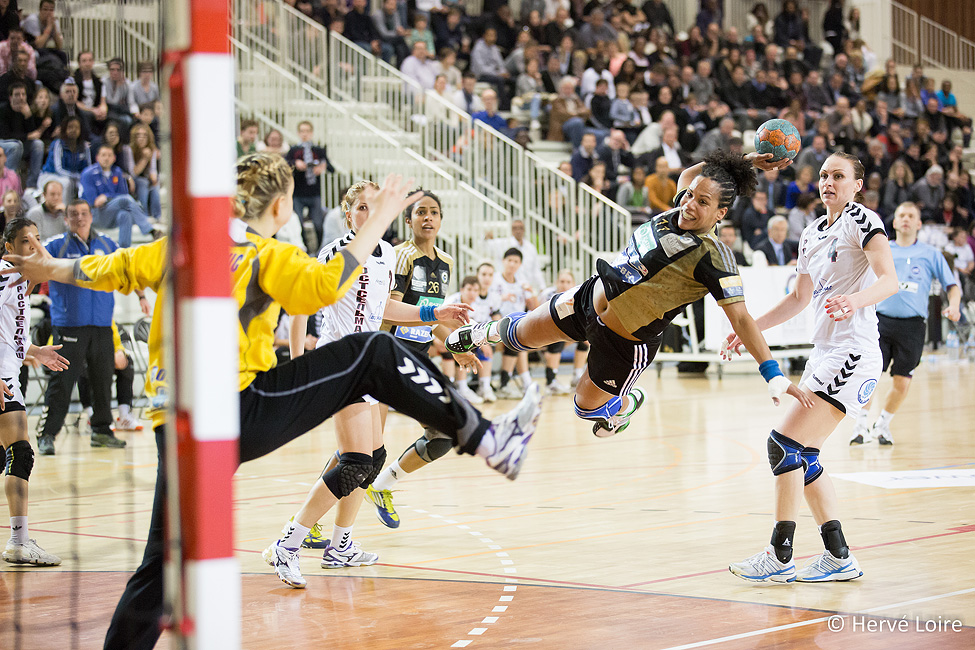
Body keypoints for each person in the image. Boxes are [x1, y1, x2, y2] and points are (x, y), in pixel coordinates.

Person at [2, 160, 542, 649]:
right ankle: (487, 439)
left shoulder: (176, 246)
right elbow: (326, 287)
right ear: (282, 207)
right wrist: (376, 222)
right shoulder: (267, 253)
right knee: (371, 354)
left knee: (161, 569)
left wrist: (49, 270)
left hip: (178, 425)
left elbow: (108, 267)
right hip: (238, 411)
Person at [448, 151, 811, 438]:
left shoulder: (715, 256)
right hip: (590, 297)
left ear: (721, 212)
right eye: (689, 195)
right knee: (522, 335)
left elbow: (742, 318)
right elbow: (692, 177)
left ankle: (625, 403)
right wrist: (746, 161)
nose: (689, 204)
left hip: (624, 343)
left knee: (585, 408)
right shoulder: (677, 208)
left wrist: (773, 372)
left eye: (702, 202)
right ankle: (480, 333)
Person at [264, 181, 475, 584]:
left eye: (373, 208)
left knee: (370, 460)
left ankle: (340, 546)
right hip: (339, 366)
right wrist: (296, 365)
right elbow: (298, 309)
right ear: (348, 215)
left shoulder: (384, 255)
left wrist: (437, 311)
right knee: (357, 461)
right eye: (361, 208)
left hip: (367, 367)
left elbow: (386, 308)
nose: (367, 214)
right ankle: (286, 546)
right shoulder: (337, 253)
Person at [726, 152, 897, 584]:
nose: (828, 182)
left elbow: (889, 280)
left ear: (857, 184)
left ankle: (780, 555)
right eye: (823, 175)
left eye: (839, 176)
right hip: (825, 352)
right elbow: (799, 299)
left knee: (782, 445)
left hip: (853, 353)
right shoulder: (809, 233)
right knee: (803, 455)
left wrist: (852, 301)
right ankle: (839, 556)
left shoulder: (863, 221)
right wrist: (749, 330)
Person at [851, 202, 960, 446]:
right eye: (901, 215)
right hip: (880, 322)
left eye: (911, 216)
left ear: (919, 223)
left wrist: (953, 305)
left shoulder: (931, 254)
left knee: (902, 380)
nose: (906, 219)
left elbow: (952, 286)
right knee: (870, 374)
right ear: (895, 221)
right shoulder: (883, 249)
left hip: (912, 326)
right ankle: (860, 425)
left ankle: (882, 425)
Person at [0, 217, 69, 566]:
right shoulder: (5, 274)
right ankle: (18, 542)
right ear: (9, 247)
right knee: (21, 453)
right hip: (1, 379)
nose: (36, 247)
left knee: (9, 456)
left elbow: (10, 333)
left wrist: (33, 350)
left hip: (10, 373)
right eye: (27, 242)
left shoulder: (20, 281)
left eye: (38, 239)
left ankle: (18, 540)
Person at [35, 199, 127, 455]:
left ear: (91, 216)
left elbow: (126, 268)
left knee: (102, 380)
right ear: (66, 218)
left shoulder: (108, 244)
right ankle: (48, 435)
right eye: (73, 214)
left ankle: (101, 431)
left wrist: (142, 297)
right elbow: (35, 262)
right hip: (69, 327)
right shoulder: (56, 245)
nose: (79, 218)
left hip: (101, 326)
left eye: (84, 214)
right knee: (62, 382)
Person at [78, 144, 158, 247]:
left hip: (112, 213)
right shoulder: (88, 174)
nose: (106, 158)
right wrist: (110, 197)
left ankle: (123, 249)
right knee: (125, 200)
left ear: (114, 158)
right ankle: (150, 230)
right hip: (94, 214)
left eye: (109, 155)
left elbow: (123, 193)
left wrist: (107, 197)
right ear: (97, 157)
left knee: (125, 214)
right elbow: (95, 201)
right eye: (103, 155)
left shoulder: (117, 172)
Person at [284, 120, 333, 252]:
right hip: (298, 193)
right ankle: (304, 250)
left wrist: (322, 166)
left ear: (311, 133)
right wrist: (295, 163)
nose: (304, 134)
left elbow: (330, 167)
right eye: (302, 131)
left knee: (318, 224)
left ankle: (320, 250)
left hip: (314, 193)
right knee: (298, 224)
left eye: (307, 131)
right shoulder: (294, 150)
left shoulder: (318, 150)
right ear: (298, 133)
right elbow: (285, 164)